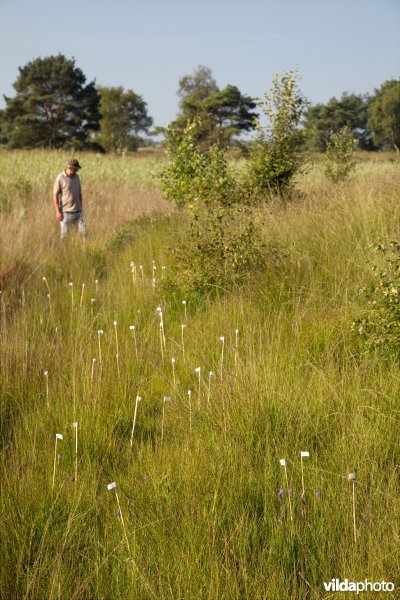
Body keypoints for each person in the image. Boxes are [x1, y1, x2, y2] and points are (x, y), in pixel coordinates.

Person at [53, 158, 87, 240]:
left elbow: (79, 193)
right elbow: (55, 194)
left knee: (84, 234)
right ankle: (62, 251)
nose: (77, 170)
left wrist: (81, 209)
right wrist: (58, 212)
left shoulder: (77, 177)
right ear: (70, 167)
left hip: (78, 212)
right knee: (64, 236)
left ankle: (84, 251)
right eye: (76, 169)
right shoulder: (60, 178)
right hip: (65, 213)